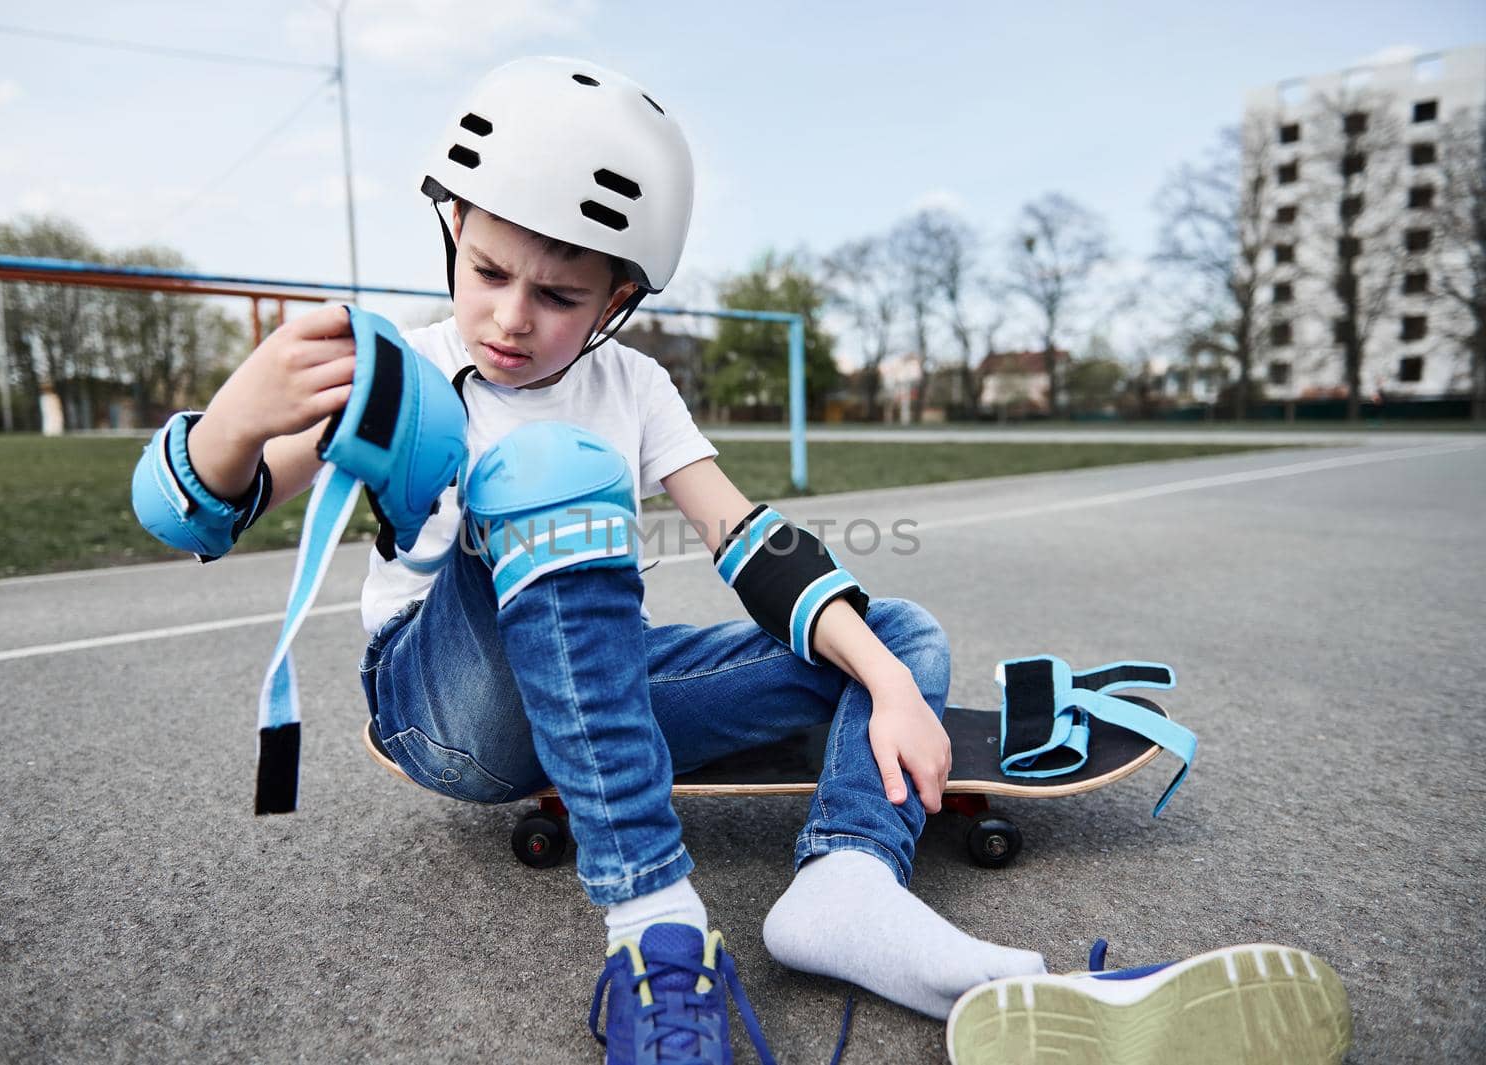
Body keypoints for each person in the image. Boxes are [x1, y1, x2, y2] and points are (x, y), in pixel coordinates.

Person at [132, 57, 1350, 1065]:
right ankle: (658, 931)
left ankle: (845, 888)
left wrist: (878, 680)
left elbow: (752, 544)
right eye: (489, 271)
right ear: (450, 229)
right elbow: (194, 514)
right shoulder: (404, 365)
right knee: (548, 473)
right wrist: (235, 425)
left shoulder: (636, 384)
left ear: (619, 295)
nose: (509, 318)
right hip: (449, 709)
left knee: (900, 637)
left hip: (603, 679)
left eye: (558, 295)